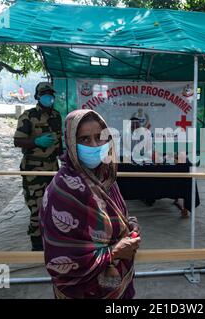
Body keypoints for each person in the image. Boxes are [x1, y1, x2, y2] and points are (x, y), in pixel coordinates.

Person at [39, 109, 141, 299]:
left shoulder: (106, 178)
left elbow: (119, 216)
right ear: (70, 142)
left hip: (117, 286)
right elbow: (59, 260)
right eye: (85, 139)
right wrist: (113, 252)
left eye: (99, 137)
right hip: (84, 292)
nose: (95, 145)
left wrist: (130, 227)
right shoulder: (62, 191)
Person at [13, 82, 62, 251]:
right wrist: (35, 141)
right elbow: (17, 141)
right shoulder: (28, 116)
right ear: (37, 97)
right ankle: (37, 245)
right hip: (33, 168)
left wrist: (64, 158)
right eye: (45, 94)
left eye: (50, 94)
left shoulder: (56, 116)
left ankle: (51, 239)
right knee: (37, 207)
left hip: (53, 166)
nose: (49, 97)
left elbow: (59, 142)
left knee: (53, 205)